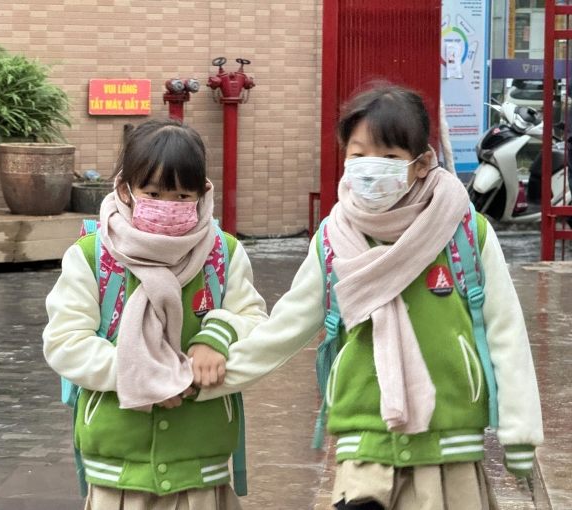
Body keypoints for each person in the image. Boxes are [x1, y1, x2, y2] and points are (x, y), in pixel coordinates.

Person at [197, 85, 544, 510]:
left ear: (422, 163)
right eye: (357, 155)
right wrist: (194, 382)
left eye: (389, 157)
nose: (369, 168)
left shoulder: (465, 232)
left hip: (450, 447)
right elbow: (284, 329)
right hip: (364, 447)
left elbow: (506, 331)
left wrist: (520, 433)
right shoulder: (333, 239)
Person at [43, 118, 268, 510]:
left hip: (200, 461)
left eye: (182, 196)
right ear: (124, 190)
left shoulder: (224, 255)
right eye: (153, 193)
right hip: (117, 466)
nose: (168, 206)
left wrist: (216, 338)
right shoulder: (91, 256)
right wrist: (143, 373)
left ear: (204, 193)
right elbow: (65, 344)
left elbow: (253, 320)